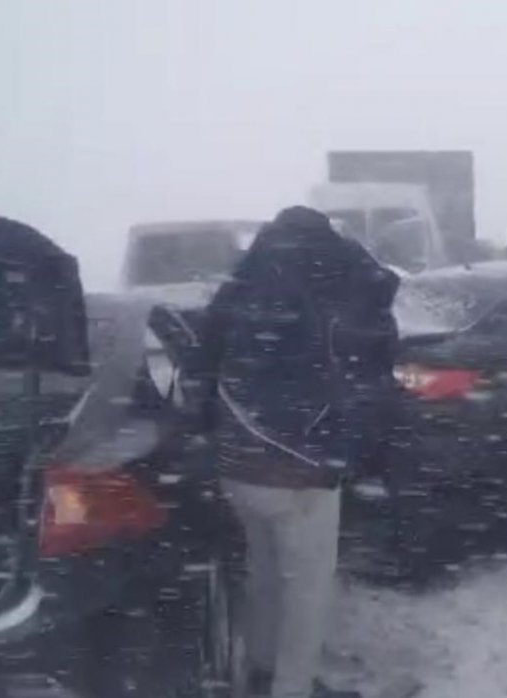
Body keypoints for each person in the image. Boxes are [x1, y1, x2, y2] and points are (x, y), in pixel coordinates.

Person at [192, 206, 400, 698]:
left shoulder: (245, 283)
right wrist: (349, 448)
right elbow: (366, 367)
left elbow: (203, 357)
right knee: (306, 590)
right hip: (302, 467)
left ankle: (260, 671)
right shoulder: (336, 278)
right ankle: (293, 688)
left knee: (263, 573)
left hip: (238, 466)